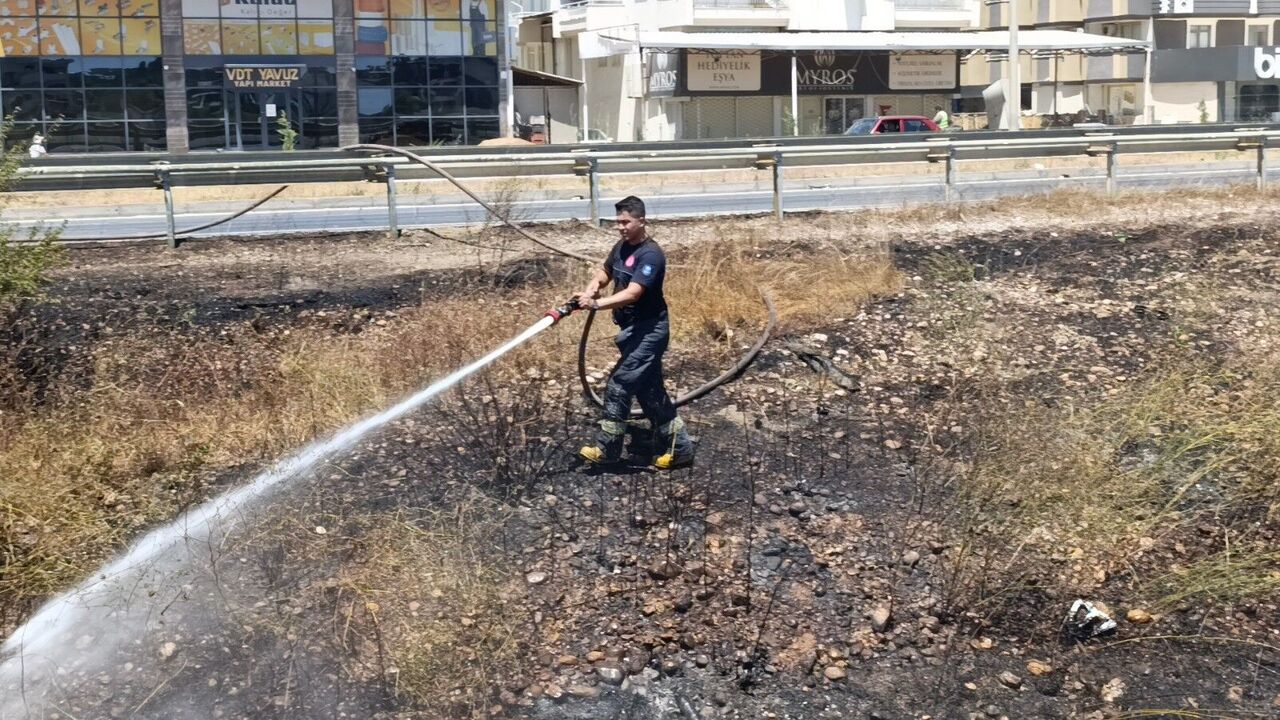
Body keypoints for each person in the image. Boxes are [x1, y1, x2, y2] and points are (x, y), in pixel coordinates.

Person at [575, 196, 694, 470]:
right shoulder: (622, 247)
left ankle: (608, 450)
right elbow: (605, 271)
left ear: (641, 221)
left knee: (620, 385)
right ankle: (681, 449)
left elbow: (633, 293)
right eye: (618, 222)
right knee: (650, 391)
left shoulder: (650, 254)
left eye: (626, 222)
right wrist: (593, 286)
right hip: (631, 331)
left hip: (650, 331)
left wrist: (595, 304)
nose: (621, 227)